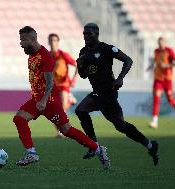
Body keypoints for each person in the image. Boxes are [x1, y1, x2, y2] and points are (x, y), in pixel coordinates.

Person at [13, 26, 109, 169]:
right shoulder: (32, 54)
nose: (21, 43)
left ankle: (98, 149)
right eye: (20, 40)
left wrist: (44, 100)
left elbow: (50, 82)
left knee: (66, 130)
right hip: (37, 99)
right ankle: (31, 153)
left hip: (49, 101)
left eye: (23, 40)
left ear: (33, 39)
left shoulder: (45, 56)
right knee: (19, 119)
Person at [75, 23, 159, 166]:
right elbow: (83, 75)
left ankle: (94, 146)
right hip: (97, 92)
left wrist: (120, 78)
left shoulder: (107, 49)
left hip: (108, 92)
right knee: (116, 124)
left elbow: (128, 60)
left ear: (96, 34)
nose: (86, 36)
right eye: (84, 34)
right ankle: (149, 145)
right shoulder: (83, 51)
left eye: (89, 34)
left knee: (86, 112)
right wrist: (80, 64)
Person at [148, 37, 175, 128]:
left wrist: (167, 65)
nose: (160, 45)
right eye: (159, 43)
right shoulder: (156, 51)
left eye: (161, 43)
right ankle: (154, 122)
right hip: (158, 79)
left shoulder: (169, 51)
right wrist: (151, 66)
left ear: (165, 43)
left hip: (167, 79)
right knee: (156, 99)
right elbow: (156, 61)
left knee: (170, 99)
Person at [48, 33, 78, 138]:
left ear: (58, 42)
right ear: (48, 42)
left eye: (55, 40)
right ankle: (60, 131)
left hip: (64, 85)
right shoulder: (47, 56)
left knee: (61, 110)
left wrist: (74, 79)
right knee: (54, 112)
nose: (53, 42)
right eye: (51, 40)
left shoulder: (63, 55)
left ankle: (61, 132)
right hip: (53, 87)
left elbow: (76, 65)